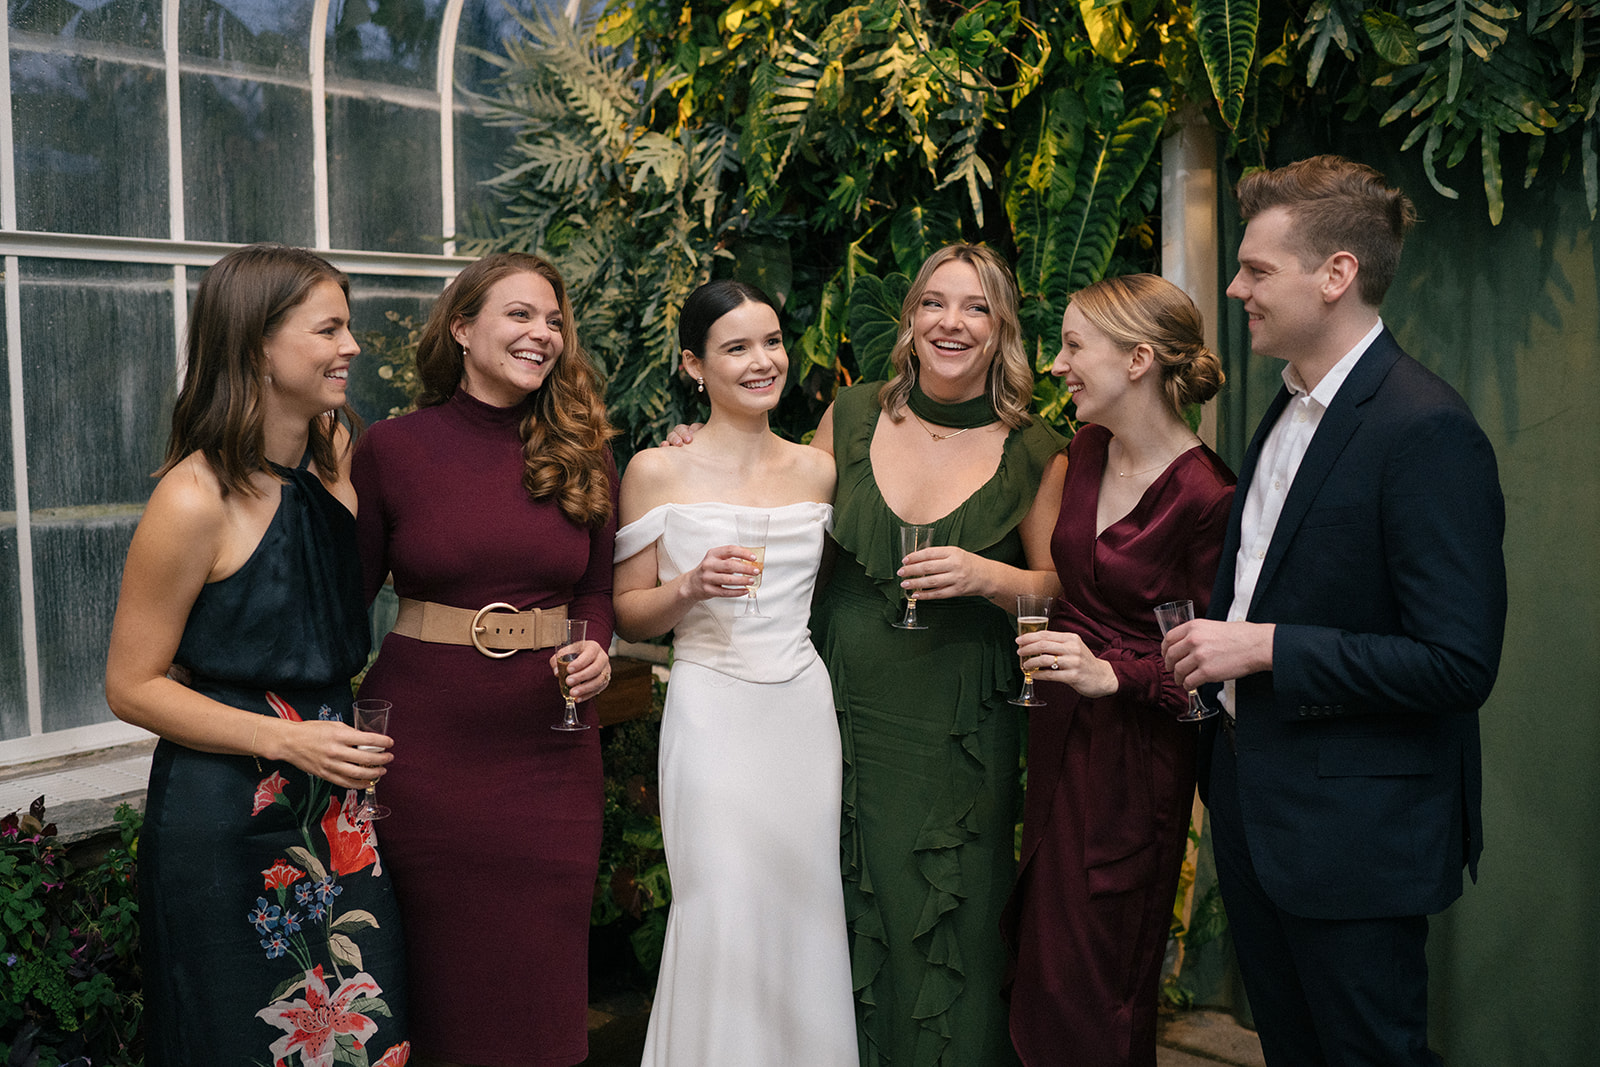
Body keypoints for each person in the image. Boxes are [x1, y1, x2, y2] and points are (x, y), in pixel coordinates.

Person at [1162, 155, 1507, 1067]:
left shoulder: (1424, 427)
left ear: (1337, 273)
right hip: (1255, 806)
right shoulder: (1286, 406)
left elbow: (1458, 663)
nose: (1235, 288)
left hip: (1356, 839)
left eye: (1257, 270)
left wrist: (1266, 646)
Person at [106, 243, 410, 1067]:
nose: (351, 345)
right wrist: (284, 739)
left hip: (338, 816)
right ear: (256, 345)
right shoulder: (193, 495)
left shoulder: (333, 462)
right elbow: (130, 686)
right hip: (226, 821)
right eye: (329, 328)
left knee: (364, 1040)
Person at [351, 251, 617, 1067]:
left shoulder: (588, 449)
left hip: (552, 757)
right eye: (520, 314)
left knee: (543, 995)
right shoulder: (391, 449)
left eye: (553, 319)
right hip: (426, 761)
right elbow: (344, 605)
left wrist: (598, 653)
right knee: (441, 993)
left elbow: (596, 596)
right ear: (463, 328)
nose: (543, 332)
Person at [814, 244, 1067, 1065]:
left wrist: (990, 574)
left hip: (962, 725)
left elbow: (1061, 593)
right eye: (934, 302)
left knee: (952, 915)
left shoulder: (1037, 449)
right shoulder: (849, 415)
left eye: (976, 307)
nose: (951, 322)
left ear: (1002, 332)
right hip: (841, 709)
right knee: (846, 905)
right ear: (910, 320)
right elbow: (777, 519)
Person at [613, 279, 855, 1066]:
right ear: (695, 364)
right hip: (711, 708)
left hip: (800, 710)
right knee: (719, 907)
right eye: (738, 347)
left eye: (774, 341)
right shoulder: (655, 469)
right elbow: (627, 612)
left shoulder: (819, 472)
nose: (764, 361)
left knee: (804, 905)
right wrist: (687, 586)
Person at [1002, 274, 1235, 1066]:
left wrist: (1115, 672)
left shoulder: (1207, 495)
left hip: (1133, 770)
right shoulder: (1087, 449)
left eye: (1073, 345)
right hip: (1057, 740)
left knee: (1100, 982)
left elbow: (1213, 678)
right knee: (1038, 966)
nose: (1057, 363)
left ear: (1138, 359)